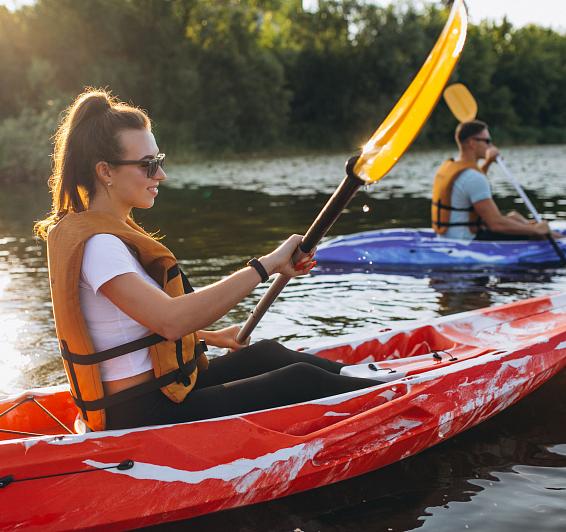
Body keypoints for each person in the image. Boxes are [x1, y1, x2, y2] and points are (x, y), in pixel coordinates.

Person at [34, 89, 378, 432]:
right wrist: (268, 264)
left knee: (267, 354)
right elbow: (170, 321)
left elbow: (128, 324)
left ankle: (380, 382)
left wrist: (210, 337)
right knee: (299, 381)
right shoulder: (99, 246)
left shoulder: (102, 232)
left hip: (162, 390)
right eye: (148, 165)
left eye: (160, 161)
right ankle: (399, 401)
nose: (161, 175)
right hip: (142, 411)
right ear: (105, 172)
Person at [431, 120, 552, 241]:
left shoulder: (450, 166)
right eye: (487, 141)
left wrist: (488, 162)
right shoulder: (473, 177)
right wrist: (535, 230)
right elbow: (496, 224)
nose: (491, 146)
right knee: (537, 234)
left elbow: (471, 183)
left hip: (448, 236)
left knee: (515, 217)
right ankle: (559, 239)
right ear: (472, 143)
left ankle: (555, 235)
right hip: (467, 239)